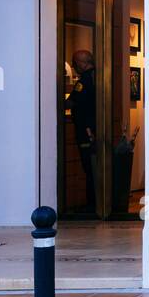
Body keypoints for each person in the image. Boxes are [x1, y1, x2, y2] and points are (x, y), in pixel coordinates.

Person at [68, 49, 98, 214]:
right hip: (95, 127)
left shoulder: (84, 80)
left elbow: (72, 102)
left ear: (81, 63)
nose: (73, 66)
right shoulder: (98, 76)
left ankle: (92, 203)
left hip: (86, 129)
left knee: (89, 166)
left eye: (74, 63)